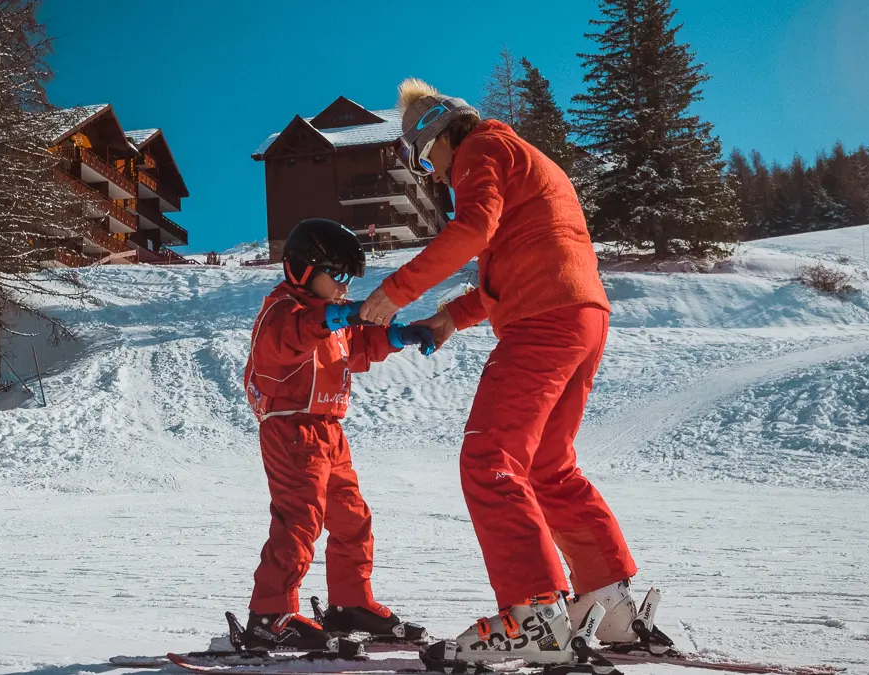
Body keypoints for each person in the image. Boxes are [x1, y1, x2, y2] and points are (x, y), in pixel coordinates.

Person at [359, 80, 671, 663]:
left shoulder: (481, 150)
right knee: (549, 465)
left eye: (425, 160)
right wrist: (450, 319)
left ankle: (534, 616)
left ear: (438, 136)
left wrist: (395, 293)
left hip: (543, 321)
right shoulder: (517, 158)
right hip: (582, 316)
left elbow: (473, 232)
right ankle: (610, 604)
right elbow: (513, 268)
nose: (434, 176)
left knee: (488, 459)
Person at [242, 218, 436, 651]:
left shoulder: (333, 319)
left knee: (352, 518)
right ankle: (270, 614)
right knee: (300, 521)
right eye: (339, 277)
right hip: (293, 429)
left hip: (330, 431)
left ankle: (350, 603)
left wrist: (401, 335)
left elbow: (360, 346)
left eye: (350, 280)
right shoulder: (282, 311)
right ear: (304, 270)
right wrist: (342, 313)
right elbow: (300, 332)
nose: (346, 287)